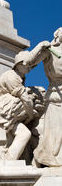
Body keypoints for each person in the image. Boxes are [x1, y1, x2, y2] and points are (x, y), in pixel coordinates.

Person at [0, 51, 45, 161]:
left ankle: (8, 161)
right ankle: (7, 161)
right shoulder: (11, 76)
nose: (30, 68)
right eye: (28, 65)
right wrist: (30, 116)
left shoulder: (20, 77)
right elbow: (26, 100)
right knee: (19, 137)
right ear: (19, 64)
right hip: (2, 115)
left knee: (24, 134)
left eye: (31, 66)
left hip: (10, 115)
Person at [30, 28, 62, 167]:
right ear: (58, 35)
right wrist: (40, 47)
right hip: (56, 97)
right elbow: (29, 62)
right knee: (54, 134)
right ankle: (41, 157)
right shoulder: (49, 51)